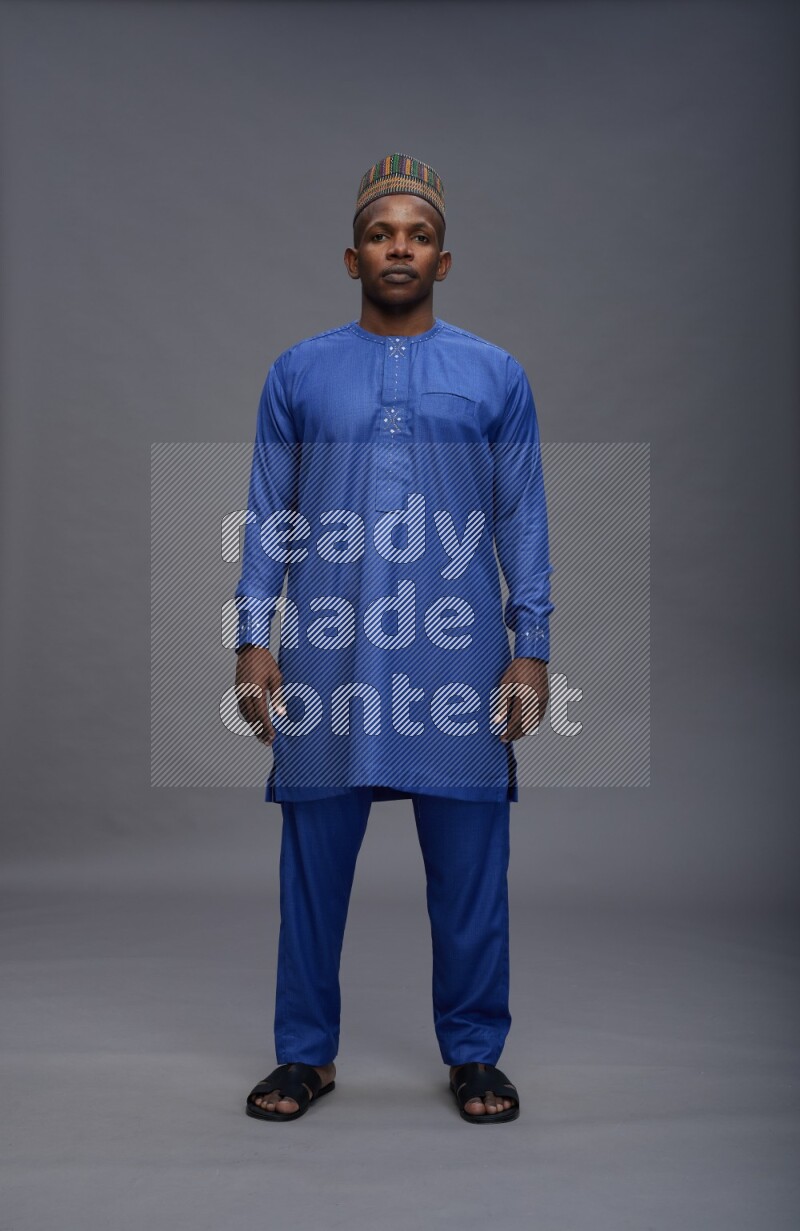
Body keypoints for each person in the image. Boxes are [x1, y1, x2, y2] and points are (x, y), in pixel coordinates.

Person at [234, 153, 554, 1123]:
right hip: (331, 654)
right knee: (311, 868)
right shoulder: (299, 371)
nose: (398, 248)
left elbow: (521, 519)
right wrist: (253, 636)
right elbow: (267, 515)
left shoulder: (493, 374)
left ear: (442, 259)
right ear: (351, 256)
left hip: (454, 661)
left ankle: (473, 1052)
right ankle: (304, 1055)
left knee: (469, 871)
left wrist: (528, 645)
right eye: (381, 234)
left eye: (416, 234)